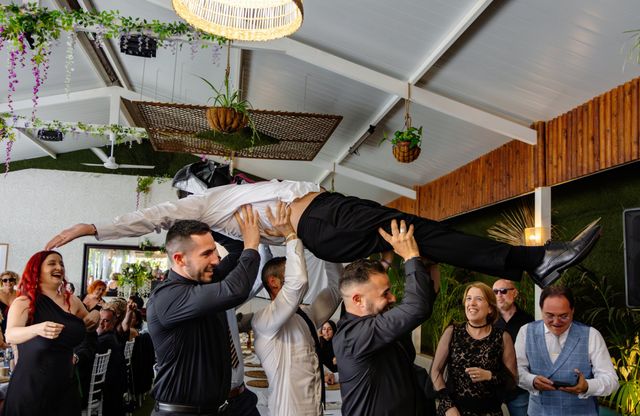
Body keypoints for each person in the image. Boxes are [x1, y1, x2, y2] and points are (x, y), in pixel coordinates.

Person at [46, 179, 602, 289]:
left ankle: (533, 264)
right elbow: (155, 216)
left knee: (427, 235)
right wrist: (91, 227)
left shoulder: (236, 202)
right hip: (318, 222)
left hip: (330, 210)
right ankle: (534, 261)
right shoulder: (210, 207)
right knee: (423, 233)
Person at [145, 211, 261, 416]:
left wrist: (212, 215)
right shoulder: (168, 297)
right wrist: (253, 245)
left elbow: (234, 250)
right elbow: (236, 289)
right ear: (179, 259)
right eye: (207, 253)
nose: (216, 260)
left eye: (214, 252)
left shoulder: (206, 280)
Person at [333, 220, 437, 416]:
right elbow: (416, 307)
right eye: (386, 293)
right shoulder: (355, 336)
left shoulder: (375, 327)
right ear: (357, 300)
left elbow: (423, 303)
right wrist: (410, 256)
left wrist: (429, 264)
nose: (392, 298)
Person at [252, 202, 343, 416]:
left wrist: (326, 248)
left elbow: (336, 289)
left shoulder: (306, 315)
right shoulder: (264, 321)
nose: (297, 272)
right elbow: (298, 284)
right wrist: (291, 235)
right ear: (275, 284)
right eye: (289, 270)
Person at [0, 251, 99, 416]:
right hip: (32, 389)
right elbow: (11, 334)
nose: (59, 267)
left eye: (61, 263)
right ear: (37, 269)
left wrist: (94, 316)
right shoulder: (25, 301)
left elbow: (88, 325)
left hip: (64, 389)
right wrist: (37, 328)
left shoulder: (71, 301)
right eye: (52, 263)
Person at [514, 285, 619, 416]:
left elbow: (611, 381)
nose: (556, 322)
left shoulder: (591, 335)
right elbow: (516, 372)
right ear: (541, 310)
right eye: (549, 315)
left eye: (563, 316)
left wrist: (587, 386)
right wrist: (533, 381)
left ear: (572, 311)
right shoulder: (525, 332)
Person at [430, 282, 517, 416]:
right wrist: (447, 405)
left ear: (490, 307)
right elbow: (435, 371)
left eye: (479, 299)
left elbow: (512, 381)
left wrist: (490, 376)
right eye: (468, 298)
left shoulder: (502, 337)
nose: (472, 303)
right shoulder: (453, 332)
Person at [492, 278, 534, 416]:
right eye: (495, 292)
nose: (499, 295)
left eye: (503, 291)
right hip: (492, 386)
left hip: (518, 389)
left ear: (514, 293)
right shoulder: (488, 321)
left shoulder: (529, 322)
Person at [96, 299, 128, 416]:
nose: (102, 323)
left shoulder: (105, 340)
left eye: (106, 321)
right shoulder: (110, 337)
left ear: (114, 322)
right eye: (100, 320)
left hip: (103, 388)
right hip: (113, 387)